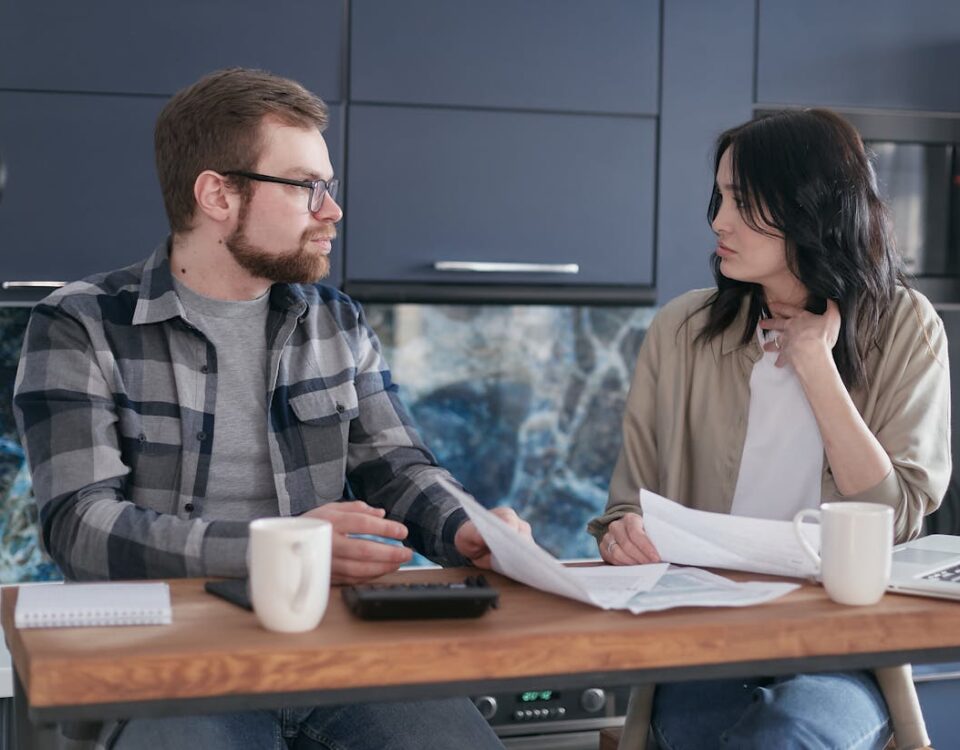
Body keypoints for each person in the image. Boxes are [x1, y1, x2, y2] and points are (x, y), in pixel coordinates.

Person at [13, 67, 529, 750]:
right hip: (166, 664)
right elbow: (79, 527)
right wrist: (279, 548)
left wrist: (466, 529)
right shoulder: (80, 323)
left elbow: (396, 465)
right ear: (218, 194)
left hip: (333, 654)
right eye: (306, 187)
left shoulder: (334, 321)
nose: (332, 211)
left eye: (330, 188)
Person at [588, 109, 950, 750]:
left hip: (841, 648)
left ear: (813, 210)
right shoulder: (682, 331)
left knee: (787, 737)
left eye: (744, 202)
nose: (717, 222)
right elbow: (626, 507)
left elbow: (894, 518)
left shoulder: (905, 326)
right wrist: (622, 535)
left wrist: (816, 366)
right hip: (703, 641)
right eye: (720, 197)